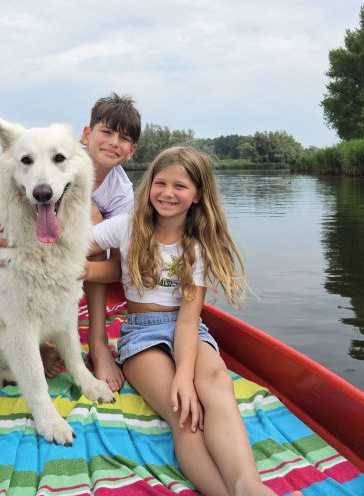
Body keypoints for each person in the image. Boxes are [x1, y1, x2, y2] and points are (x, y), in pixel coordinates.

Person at [85, 146, 301, 496]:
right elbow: (70, 246)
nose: (168, 193)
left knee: (216, 386)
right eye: (160, 183)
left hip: (187, 329)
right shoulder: (126, 226)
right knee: (185, 415)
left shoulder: (198, 245)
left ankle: (248, 485)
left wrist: (186, 376)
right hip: (141, 336)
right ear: (149, 186)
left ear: (198, 194)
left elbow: (188, 321)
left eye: (180, 186)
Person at [0, 93, 141, 390]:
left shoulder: (122, 192)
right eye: (107, 131)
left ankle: (98, 342)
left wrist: (81, 269)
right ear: (86, 135)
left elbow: (123, 260)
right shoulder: (50, 158)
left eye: (123, 138)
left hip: (78, 260)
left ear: (132, 151)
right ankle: (41, 339)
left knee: (93, 217)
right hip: (36, 251)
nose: (114, 142)